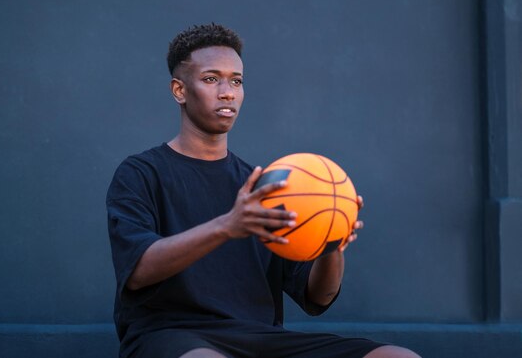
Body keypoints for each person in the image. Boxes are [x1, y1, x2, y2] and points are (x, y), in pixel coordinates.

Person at [107, 23, 420, 358]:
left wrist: (333, 242)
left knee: (398, 357)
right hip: (170, 335)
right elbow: (138, 272)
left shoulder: (267, 187)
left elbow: (318, 297)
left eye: (236, 81)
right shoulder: (141, 173)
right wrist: (227, 226)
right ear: (179, 90)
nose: (227, 92)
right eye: (211, 79)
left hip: (261, 339)